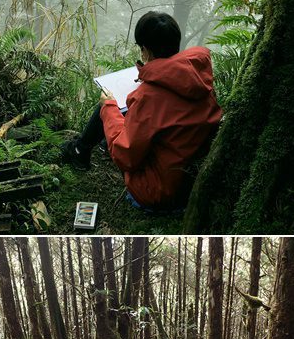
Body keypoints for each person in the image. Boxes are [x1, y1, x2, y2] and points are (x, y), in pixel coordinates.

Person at [61, 11, 222, 211]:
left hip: (158, 192)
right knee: (119, 111)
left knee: (109, 104)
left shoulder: (149, 96)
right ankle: (83, 147)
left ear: (145, 50)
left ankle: (80, 150)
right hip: (191, 181)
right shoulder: (198, 77)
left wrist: (109, 107)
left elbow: (125, 155)